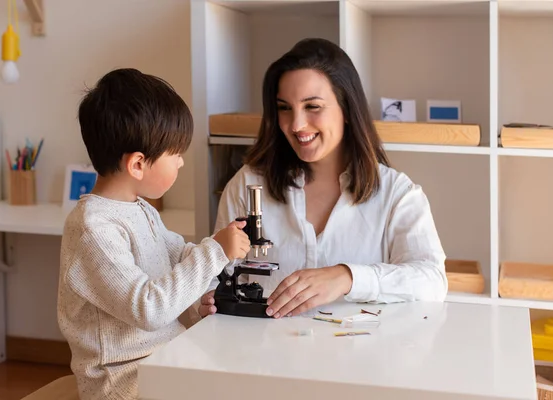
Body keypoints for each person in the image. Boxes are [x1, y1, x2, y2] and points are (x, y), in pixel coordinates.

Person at [198, 38, 448, 320]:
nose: (296, 125)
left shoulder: (397, 194)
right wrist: (207, 300)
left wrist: (347, 277)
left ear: (347, 109)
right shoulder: (247, 185)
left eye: (312, 106)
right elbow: (214, 274)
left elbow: (433, 282)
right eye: (284, 108)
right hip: (266, 359)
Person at [57, 68, 250, 400]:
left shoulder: (140, 208)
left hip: (164, 358)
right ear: (137, 164)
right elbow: (149, 308)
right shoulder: (94, 228)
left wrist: (214, 266)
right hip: (121, 379)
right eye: (175, 155)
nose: (181, 164)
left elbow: (177, 255)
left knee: (243, 373)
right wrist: (215, 252)